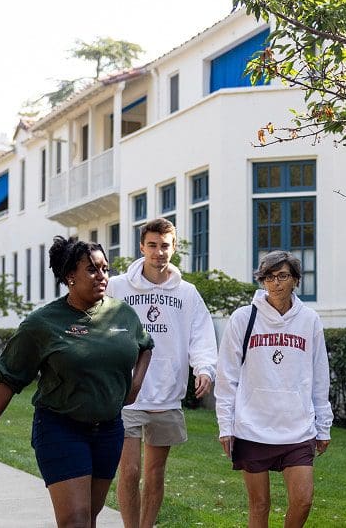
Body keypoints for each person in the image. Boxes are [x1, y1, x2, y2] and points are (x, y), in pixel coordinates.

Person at [0, 236, 153, 528]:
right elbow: (7, 381)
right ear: (70, 277)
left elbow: (145, 346)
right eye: (92, 269)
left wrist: (135, 385)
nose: (102, 276)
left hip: (109, 430)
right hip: (60, 428)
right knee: (75, 521)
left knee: (89, 518)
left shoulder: (123, 314)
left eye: (105, 268)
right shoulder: (42, 323)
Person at [106, 217, 217, 528]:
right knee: (129, 471)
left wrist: (204, 368)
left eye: (164, 246)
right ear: (142, 247)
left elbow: (201, 334)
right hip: (126, 395)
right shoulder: (117, 287)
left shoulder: (187, 292)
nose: (158, 252)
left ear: (174, 247)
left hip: (166, 395)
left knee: (155, 474)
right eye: (152, 245)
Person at [215, 250, 332, 528]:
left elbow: (319, 376)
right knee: (259, 506)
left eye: (282, 276)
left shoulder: (310, 320)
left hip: (298, 427)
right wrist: (225, 425)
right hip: (252, 427)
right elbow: (226, 376)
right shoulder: (243, 319)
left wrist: (323, 425)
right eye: (268, 277)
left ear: (295, 280)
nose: (275, 283)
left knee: (303, 501)